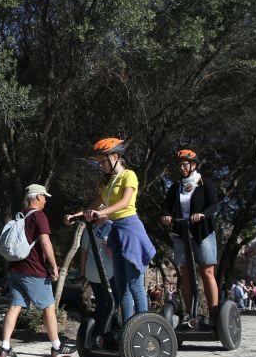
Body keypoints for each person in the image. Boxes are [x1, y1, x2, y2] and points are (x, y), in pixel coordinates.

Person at [66, 138, 155, 323]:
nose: (101, 165)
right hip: (115, 231)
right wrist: (76, 215)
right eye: (98, 162)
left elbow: (124, 202)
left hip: (130, 229)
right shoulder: (106, 181)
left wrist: (100, 212)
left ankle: (143, 327)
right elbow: (95, 204)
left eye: (103, 161)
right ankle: (128, 329)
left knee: (135, 285)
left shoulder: (128, 175)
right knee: (121, 287)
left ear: (115, 156)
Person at [0, 184, 74, 357]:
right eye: (44, 197)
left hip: (15, 269)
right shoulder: (39, 216)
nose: (46, 200)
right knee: (48, 306)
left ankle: (5, 347)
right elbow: (46, 244)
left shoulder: (21, 216)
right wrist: (55, 266)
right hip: (34, 270)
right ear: (38, 197)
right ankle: (57, 346)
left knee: (15, 306)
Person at [160, 149, 221, 324]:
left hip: (203, 232)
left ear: (194, 164)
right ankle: (191, 315)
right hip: (181, 232)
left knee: (207, 272)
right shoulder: (175, 187)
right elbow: (166, 207)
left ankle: (214, 314)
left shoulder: (205, 183)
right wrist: (167, 216)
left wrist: (202, 215)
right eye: (180, 164)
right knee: (185, 273)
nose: (182, 167)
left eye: (185, 163)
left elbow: (213, 205)